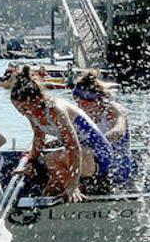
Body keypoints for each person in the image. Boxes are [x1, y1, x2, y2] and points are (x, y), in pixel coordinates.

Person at [6, 66, 109, 202]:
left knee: (51, 159)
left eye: (24, 108)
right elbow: (39, 138)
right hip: (78, 156)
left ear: (37, 100)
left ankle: (78, 189)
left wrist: (73, 185)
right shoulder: (32, 113)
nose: (22, 113)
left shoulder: (56, 110)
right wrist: (31, 161)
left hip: (99, 155)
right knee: (51, 189)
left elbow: (74, 148)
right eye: (19, 110)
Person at [71, 70, 134, 188]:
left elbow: (118, 132)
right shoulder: (82, 115)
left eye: (84, 103)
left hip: (116, 166)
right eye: (77, 102)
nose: (80, 106)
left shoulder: (113, 110)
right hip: (92, 162)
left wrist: (96, 142)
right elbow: (71, 138)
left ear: (96, 99)